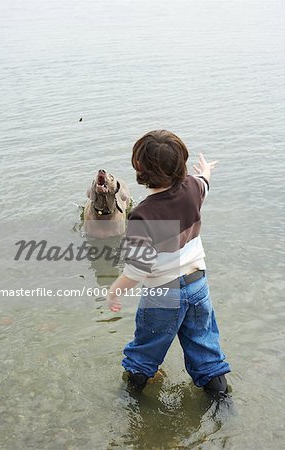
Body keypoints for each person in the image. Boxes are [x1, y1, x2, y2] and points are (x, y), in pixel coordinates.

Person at [107, 130, 231, 398]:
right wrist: (206, 170)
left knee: (146, 349)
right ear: (181, 163)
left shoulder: (143, 215)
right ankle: (222, 400)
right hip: (198, 284)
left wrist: (115, 290)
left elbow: (137, 270)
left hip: (163, 292)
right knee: (204, 347)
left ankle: (129, 400)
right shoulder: (194, 189)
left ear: (139, 168)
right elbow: (204, 182)